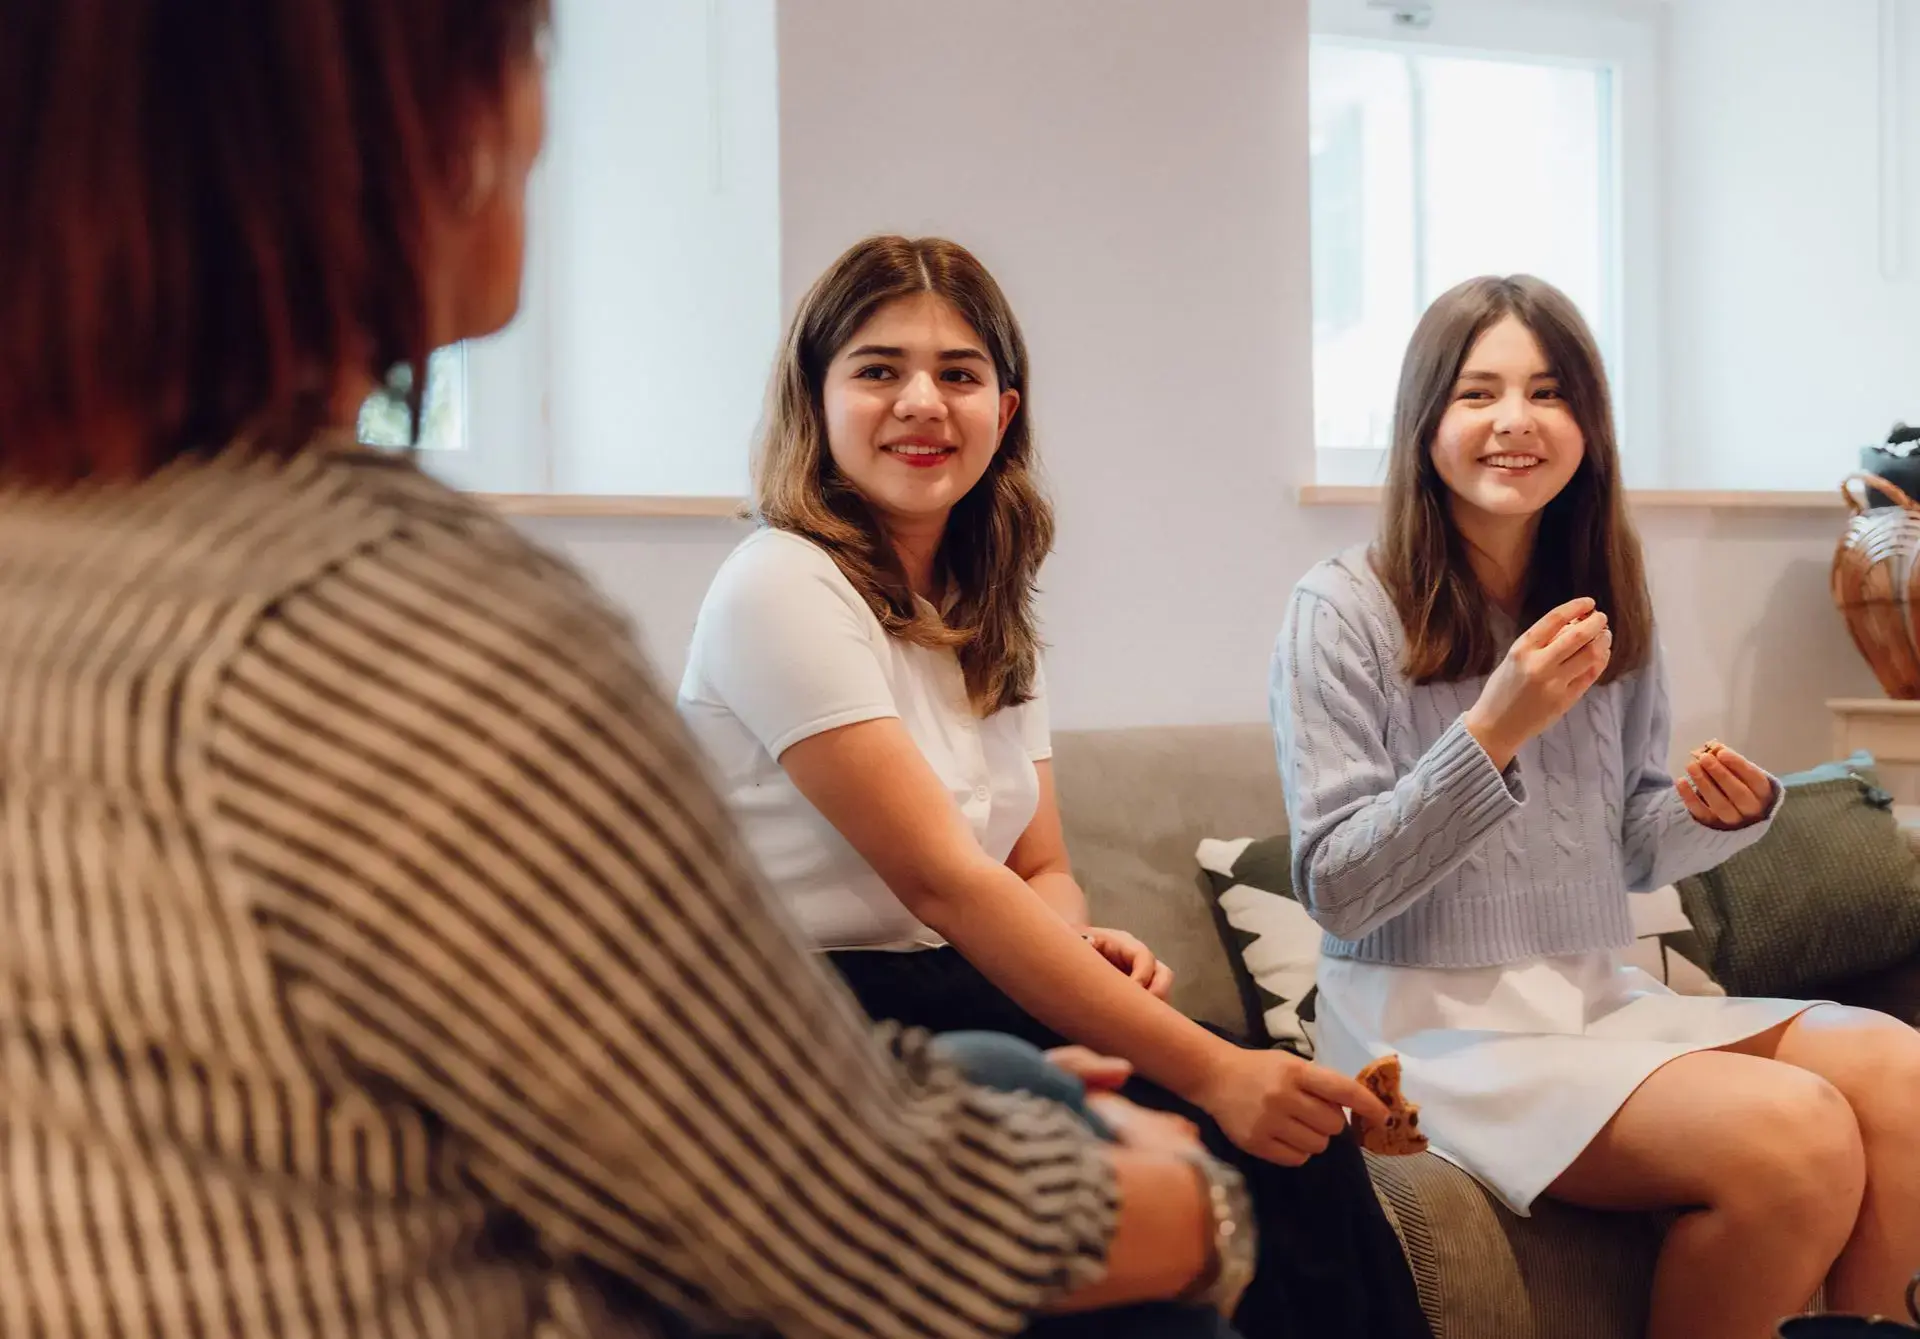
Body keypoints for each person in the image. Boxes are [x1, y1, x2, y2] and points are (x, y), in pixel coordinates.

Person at [0, 4, 1254, 1336]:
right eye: (520, 57)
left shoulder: (58, 554)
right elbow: (836, 1216)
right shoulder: (404, 622)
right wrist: (1195, 1206)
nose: (539, 121)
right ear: (401, 136)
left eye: (960, 371)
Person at [679, 233, 1434, 1339]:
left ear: (1005, 406)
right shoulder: (779, 584)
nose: (922, 402)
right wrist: (1216, 1068)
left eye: (959, 373)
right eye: (879, 370)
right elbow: (944, 880)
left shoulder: (987, 609)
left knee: (1302, 1150)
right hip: (809, 1013)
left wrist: (1074, 949)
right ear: (816, 398)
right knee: (1240, 1105)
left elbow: (1038, 867)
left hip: (960, 985)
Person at [1272, 274, 1920, 1339]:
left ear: (1589, 424)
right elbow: (1339, 891)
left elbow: (1624, 840)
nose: (1516, 422)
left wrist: (1716, 816)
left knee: (1896, 1067)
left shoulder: (1604, 596)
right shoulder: (1339, 609)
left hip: (1592, 1002)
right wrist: (1495, 729)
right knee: (1795, 1133)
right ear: (1425, 421)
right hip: (1423, 1038)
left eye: (1549, 392)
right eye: (1479, 393)